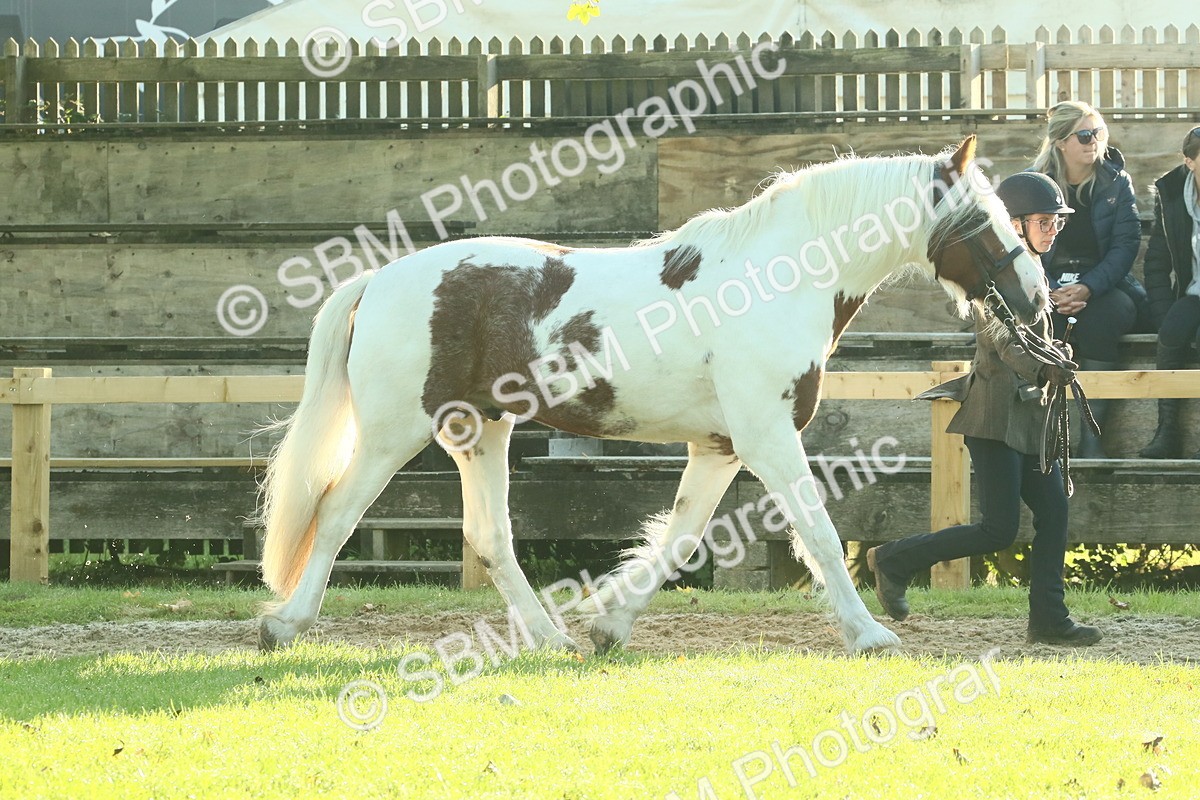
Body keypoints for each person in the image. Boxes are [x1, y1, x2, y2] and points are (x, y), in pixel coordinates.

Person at [866, 172, 1102, 647]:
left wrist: (1056, 356)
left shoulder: (1035, 270)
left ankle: (1050, 620)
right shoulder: (990, 281)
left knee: (1054, 512)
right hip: (994, 418)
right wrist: (1043, 368)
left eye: (1056, 221)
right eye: (1043, 221)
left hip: (1030, 419)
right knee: (998, 530)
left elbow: (1033, 340)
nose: (1053, 229)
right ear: (1014, 226)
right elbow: (1005, 343)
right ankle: (893, 558)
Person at [1030, 100, 1148, 458]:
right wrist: (1048, 290)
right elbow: (1022, 245)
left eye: (1099, 133)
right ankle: (1040, 439)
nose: (1093, 141)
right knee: (1035, 321)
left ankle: (1092, 440)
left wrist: (1088, 287)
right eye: (1084, 135)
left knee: (1101, 318)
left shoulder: (1115, 181)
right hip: (1046, 285)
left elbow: (1125, 246)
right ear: (1062, 141)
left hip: (1105, 286)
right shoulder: (1034, 185)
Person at [1140, 127, 1200, 458]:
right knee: (1172, 332)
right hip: (1193, 292)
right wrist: (1163, 313)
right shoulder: (1172, 193)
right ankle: (1168, 431)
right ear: (1188, 161)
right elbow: (1157, 262)